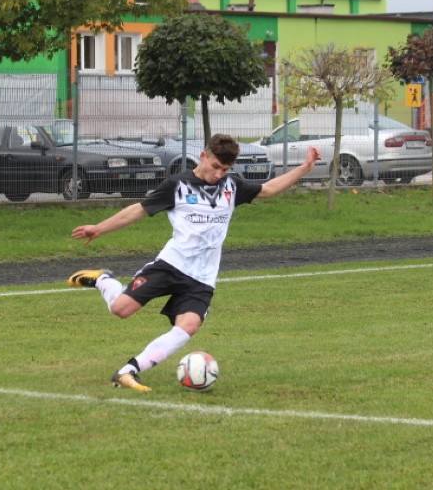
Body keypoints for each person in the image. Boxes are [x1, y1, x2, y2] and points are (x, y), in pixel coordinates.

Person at [69, 133, 321, 392]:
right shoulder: (177, 185)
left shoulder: (232, 186)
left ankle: (129, 370)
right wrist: (99, 228)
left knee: (188, 325)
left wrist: (304, 167)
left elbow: (268, 189)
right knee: (121, 309)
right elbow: (139, 210)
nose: (219, 174)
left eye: (225, 169)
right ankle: (103, 279)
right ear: (203, 156)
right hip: (170, 265)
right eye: (215, 167)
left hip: (201, 278)